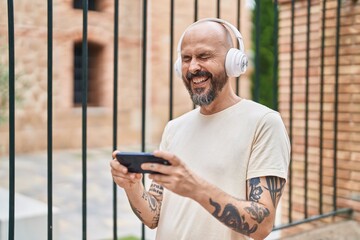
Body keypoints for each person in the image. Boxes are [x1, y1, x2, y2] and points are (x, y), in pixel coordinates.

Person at [110, 18, 290, 240]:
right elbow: (153, 217)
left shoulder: (264, 122)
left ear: (233, 61)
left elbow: (262, 226)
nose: (193, 67)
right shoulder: (174, 128)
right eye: (186, 59)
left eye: (204, 56)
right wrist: (132, 187)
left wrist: (194, 188)